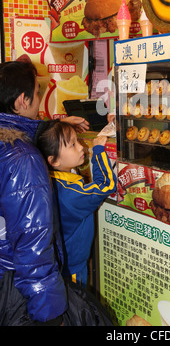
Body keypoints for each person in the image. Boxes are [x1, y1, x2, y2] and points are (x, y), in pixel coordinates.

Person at [0, 61, 111, 326]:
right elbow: (33, 246)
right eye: (37, 93)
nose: (40, 99)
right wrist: (50, 317)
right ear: (21, 101)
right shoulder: (23, 160)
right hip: (19, 287)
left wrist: (58, 124)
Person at [36, 120, 117, 286]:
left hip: (60, 262)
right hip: (72, 268)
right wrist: (98, 151)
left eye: (77, 141)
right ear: (54, 161)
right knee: (77, 303)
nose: (81, 147)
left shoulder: (48, 178)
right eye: (72, 144)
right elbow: (107, 185)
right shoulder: (71, 194)